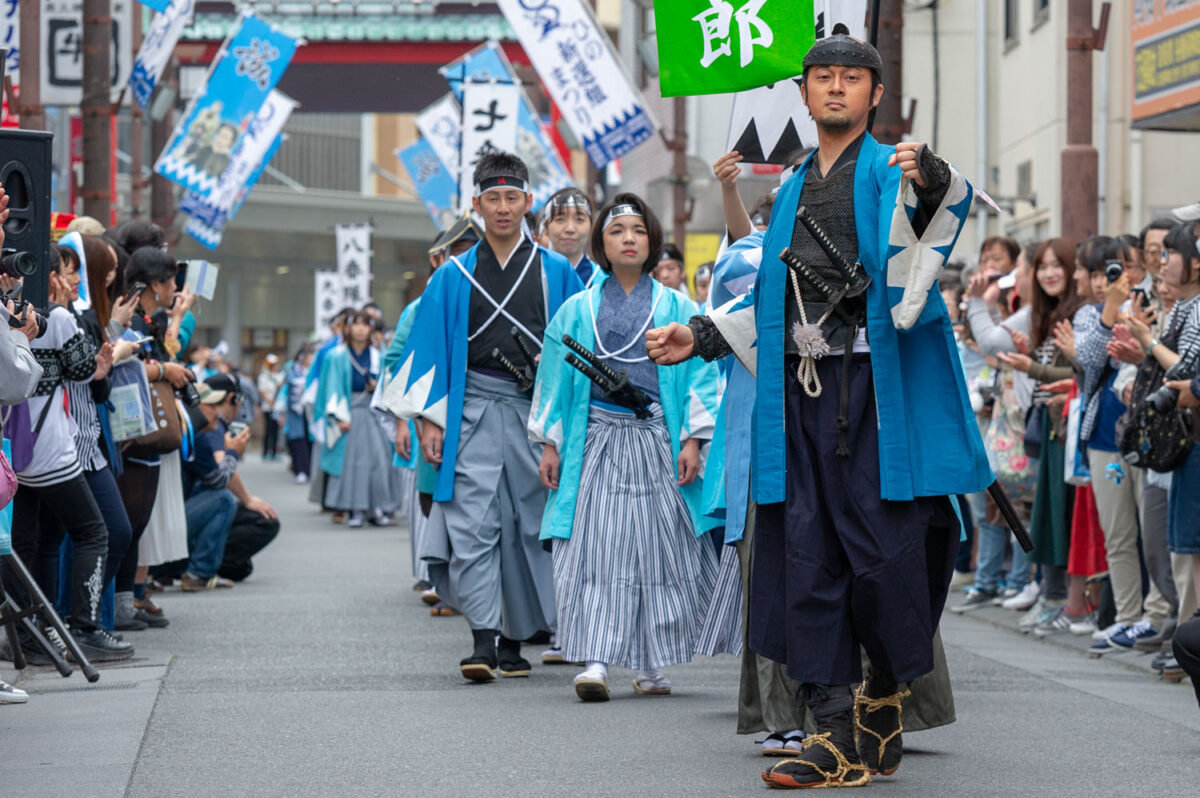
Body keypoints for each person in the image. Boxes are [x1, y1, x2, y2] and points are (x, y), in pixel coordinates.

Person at [647, 29, 987, 789]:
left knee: (886, 560)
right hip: (802, 394)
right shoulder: (795, 185)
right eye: (822, 77)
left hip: (876, 395)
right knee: (807, 553)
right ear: (803, 92)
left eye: (850, 78)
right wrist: (700, 333)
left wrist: (928, 176)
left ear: (874, 95)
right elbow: (770, 300)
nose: (835, 88)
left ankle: (880, 699)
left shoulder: (892, 168)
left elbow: (937, 216)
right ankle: (833, 729)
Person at [383, 150, 583, 682]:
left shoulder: (555, 273)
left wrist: (559, 429)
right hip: (469, 408)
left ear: (527, 202)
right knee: (472, 524)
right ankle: (482, 638)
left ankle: (517, 637)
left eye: (511, 197)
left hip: (532, 414)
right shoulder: (450, 277)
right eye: (491, 198)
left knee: (527, 524)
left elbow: (575, 351)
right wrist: (428, 419)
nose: (501, 208)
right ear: (475, 204)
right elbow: (427, 351)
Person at [529, 193, 720, 701]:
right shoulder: (576, 310)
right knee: (592, 549)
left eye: (638, 230)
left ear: (652, 240)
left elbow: (701, 377)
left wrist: (694, 439)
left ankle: (650, 662)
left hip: (658, 437)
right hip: (593, 440)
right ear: (602, 244)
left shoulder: (679, 306)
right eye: (617, 232)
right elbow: (553, 380)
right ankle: (594, 659)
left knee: (658, 551)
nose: (629, 238)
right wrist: (551, 444)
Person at [6, 242, 132, 662]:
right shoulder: (57, 317)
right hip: (53, 452)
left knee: (25, 543)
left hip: (15, 453)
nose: (73, 279)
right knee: (94, 532)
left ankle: (29, 634)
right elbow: (83, 369)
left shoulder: (13, 312)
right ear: (51, 275)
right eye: (66, 270)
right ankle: (86, 626)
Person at [317, 310, 400, 528]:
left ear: (371, 329)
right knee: (352, 464)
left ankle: (377, 507)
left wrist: (377, 388)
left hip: (373, 412)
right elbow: (332, 389)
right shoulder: (337, 355)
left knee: (379, 461)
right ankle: (353, 508)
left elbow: (388, 385)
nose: (361, 329)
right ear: (348, 328)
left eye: (365, 325)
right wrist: (338, 417)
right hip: (350, 413)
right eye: (356, 324)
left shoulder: (379, 356)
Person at [541, 187, 598, 286]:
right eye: (560, 219)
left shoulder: (603, 280)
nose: (570, 229)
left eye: (579, 219)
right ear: (546, 228)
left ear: (591, 226)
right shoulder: (531, 274)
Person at [281, 345, 313, 484]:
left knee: (310, 441)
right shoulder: (292, 371)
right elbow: (287, 390)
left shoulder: (314, 370)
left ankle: (310, 470)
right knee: (298, 442)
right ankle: (300, 470)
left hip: (311, 411)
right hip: (296, 412)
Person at [258, 354, 285, 460]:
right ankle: (265, 452)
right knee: (268, 430)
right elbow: (262, 391)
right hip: (267, 407)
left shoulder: (278, 376)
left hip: (277, 407)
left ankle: (274, 451)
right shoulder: (263, 376)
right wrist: (271, 402)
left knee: (276, 430)